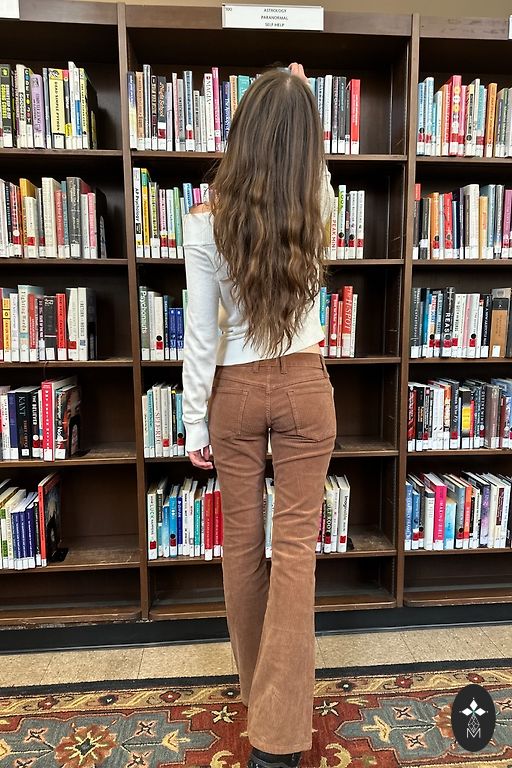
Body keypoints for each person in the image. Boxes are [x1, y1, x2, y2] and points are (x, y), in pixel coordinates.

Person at [182, 62, 337, 768]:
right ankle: (279, 735)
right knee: (296, 552)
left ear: (239, 133)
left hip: (235, 392)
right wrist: (299, 94)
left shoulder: (204, 223)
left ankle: (260, 701)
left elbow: (200, 336)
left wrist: (192, 422)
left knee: (242, 549)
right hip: (305, 384)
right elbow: (317, 174)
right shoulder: (319, 208)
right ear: (309, 146)